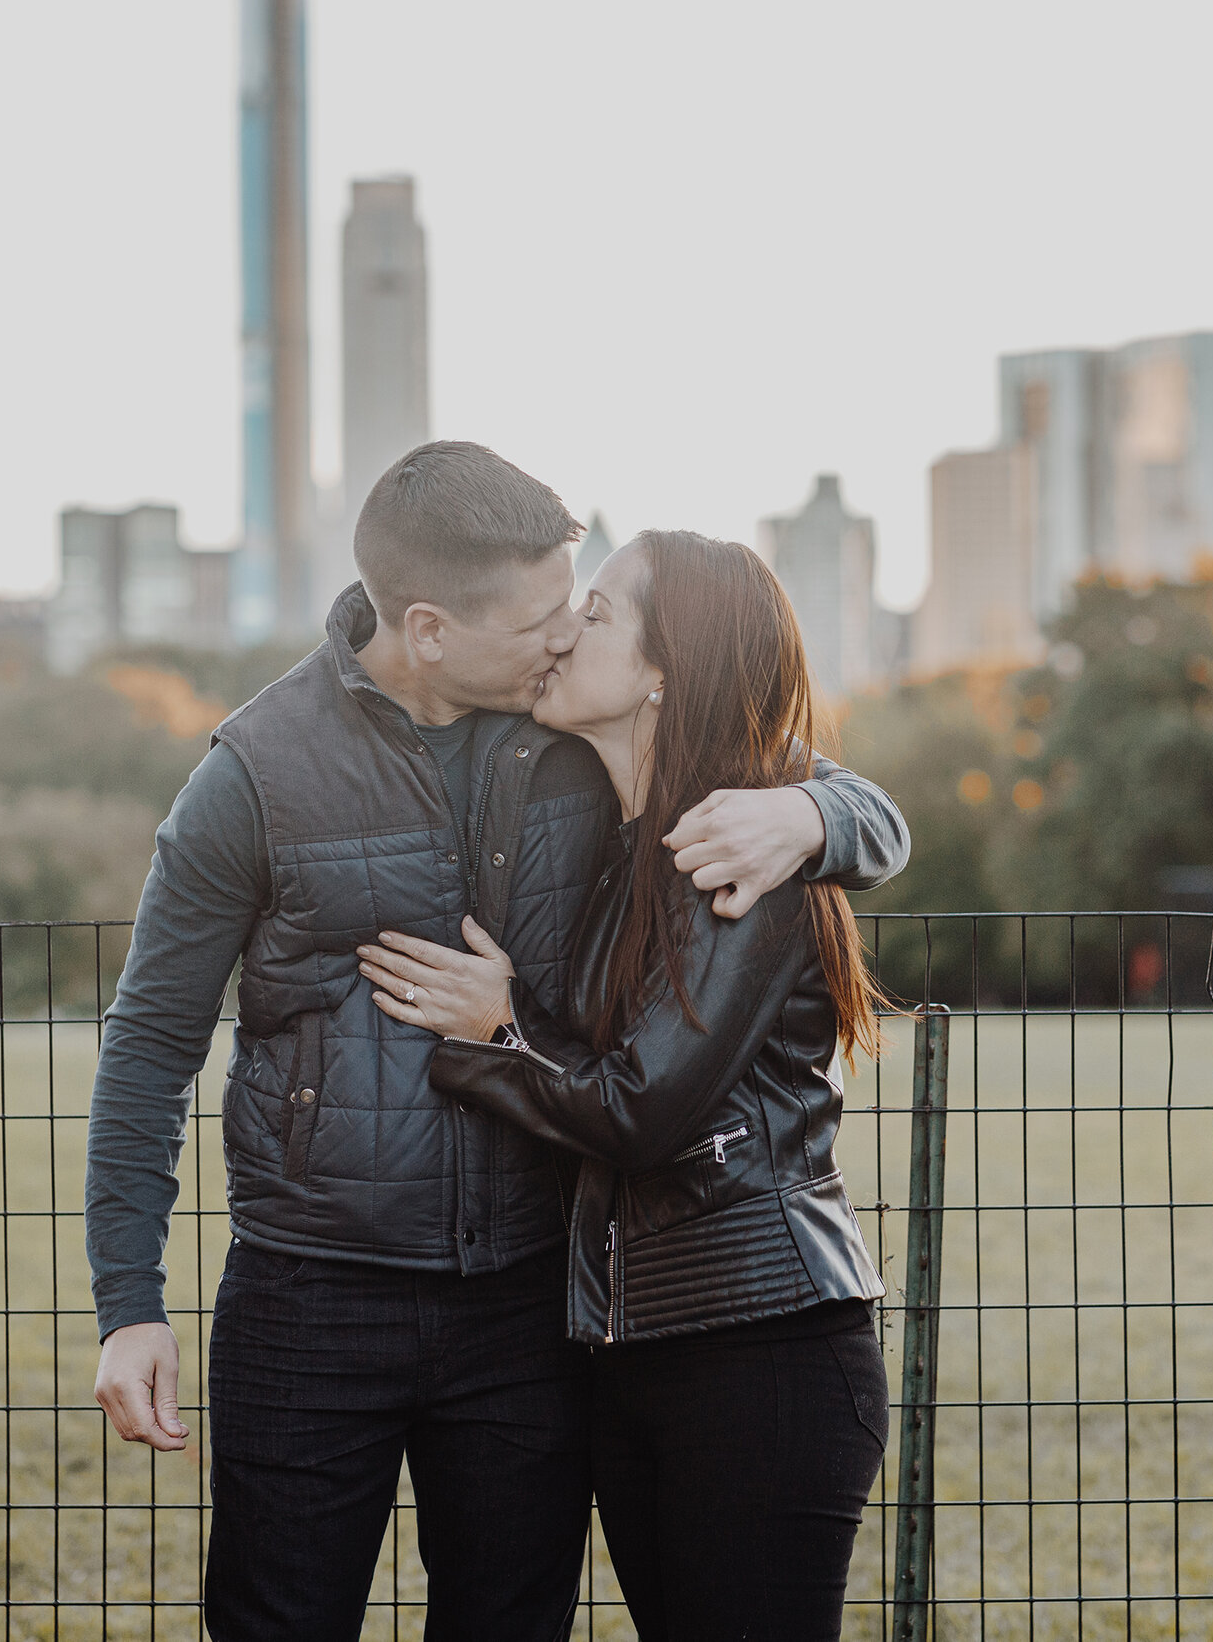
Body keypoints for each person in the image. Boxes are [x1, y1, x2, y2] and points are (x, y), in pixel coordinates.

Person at [83, 443, 909, 1641]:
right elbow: (149, 1044)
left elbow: (823, 789)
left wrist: (813, 809)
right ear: (425, 627)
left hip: (533, 1309)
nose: (567, 634)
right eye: (541, 617)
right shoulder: (252, 777)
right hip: (310, 1299)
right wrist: (128, 1301)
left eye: (581, 605)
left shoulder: (578, 731)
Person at [357, 528, 892, 1641]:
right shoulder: (629, 842)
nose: (566, 631)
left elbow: (641, 1109)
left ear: (665, 667)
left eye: (597, 611)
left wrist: (499, 1026)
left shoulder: (733, 848)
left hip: (761, 1348)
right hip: (640, 1353)